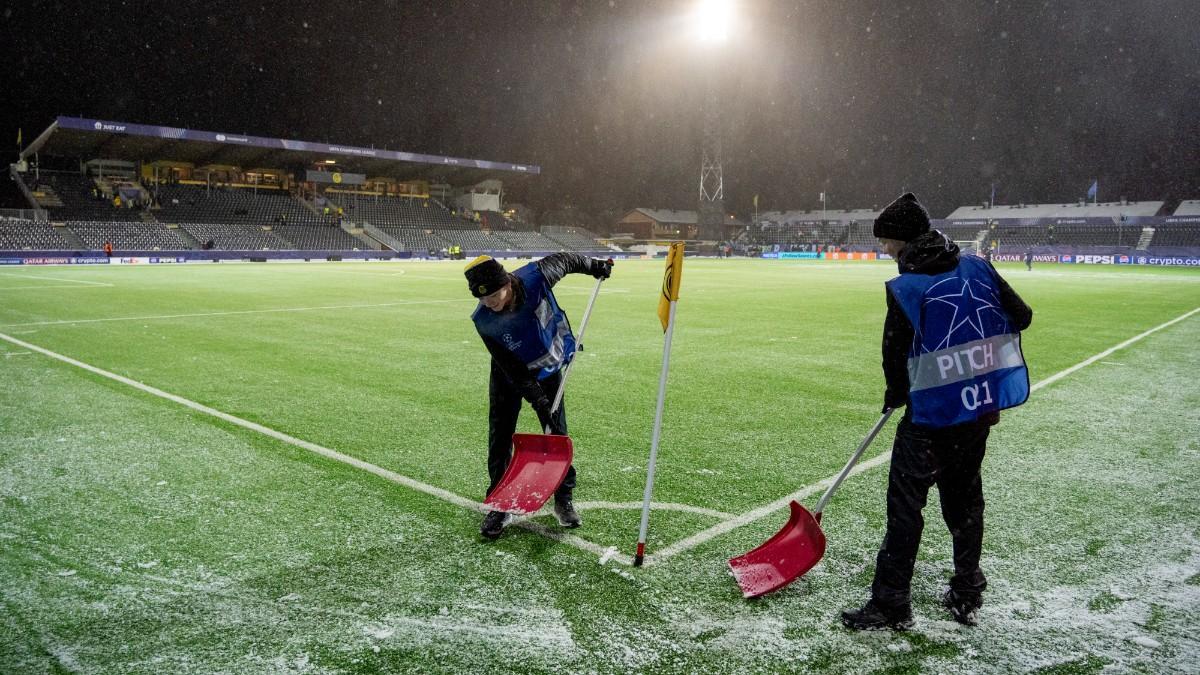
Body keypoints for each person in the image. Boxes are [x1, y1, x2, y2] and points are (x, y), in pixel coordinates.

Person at [842, 193, 1033, 631]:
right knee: (964, 501)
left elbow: (894, 354)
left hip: (929, 418)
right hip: (977, 410)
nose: (885, 250)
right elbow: (1020, 316)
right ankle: (967, 591)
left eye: (887, 241)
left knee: (906, 508)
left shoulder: (908, 286)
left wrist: (895, 393)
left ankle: (892, 604)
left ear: (903, 239)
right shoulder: (978, 266)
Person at [464, 253, 614, 540]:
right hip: (509, 375)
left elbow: (567, 261)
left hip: (547, 365)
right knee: (500, 435)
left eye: (495, 295)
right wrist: (539, 401)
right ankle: (499, 504)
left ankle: (563, 498)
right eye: (484, 299)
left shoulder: (536, 276)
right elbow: (514, 370)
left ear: (506, 282)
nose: (490, 303)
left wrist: (595, 267)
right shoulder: (484, 321)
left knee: (556, 431)